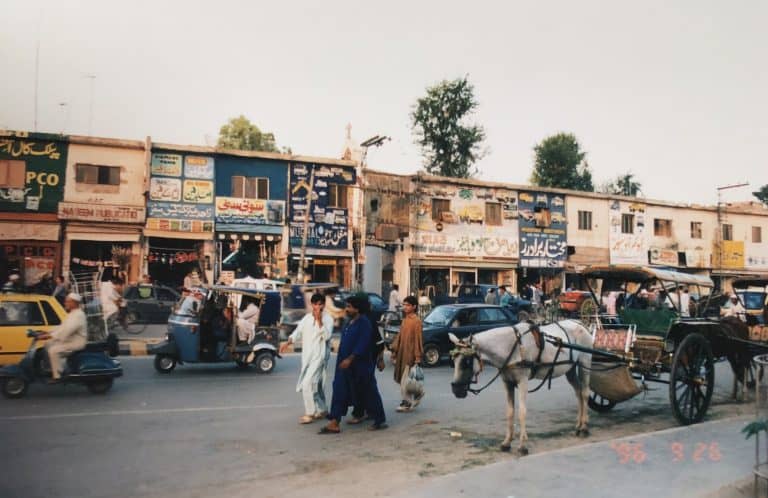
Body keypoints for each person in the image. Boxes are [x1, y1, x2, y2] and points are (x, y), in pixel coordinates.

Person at [320, 295, 386, 434]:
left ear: (357, 308)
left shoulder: (364, 323)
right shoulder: (348, 323)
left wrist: (351, 358)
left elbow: (363, 344)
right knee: (339, 389)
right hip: (344, 365)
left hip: (360, 365)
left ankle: (379, 419)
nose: (347, 309)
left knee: (368, 392)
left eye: (349, 307)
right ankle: (334, 421)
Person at [280, 293, 334, 424]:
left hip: (319, 357)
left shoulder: (328, 319)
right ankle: (322, 409)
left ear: (323, 305)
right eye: (315, 304)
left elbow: (327, 336)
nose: (317, 307)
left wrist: (319, 320)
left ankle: (310, 413)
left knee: (307, 383)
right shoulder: (307, 318)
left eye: (320, 304)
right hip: (307, 357)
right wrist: (288, 342)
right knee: (316, 384)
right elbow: (298, 331)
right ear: (312, 304)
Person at [42, 293, 88, 382]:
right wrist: (47, 332)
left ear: (74, 303)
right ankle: (51, 369)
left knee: (54, 351)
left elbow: (67, 330)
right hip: (70, 340)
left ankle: (58, 376)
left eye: (67, 301)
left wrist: (50, 335)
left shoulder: (78, 315)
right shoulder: (72, 314)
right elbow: (62, 327)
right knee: (48, 344)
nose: (65, 303)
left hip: (76, 342)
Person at [390, 295, 424, 412]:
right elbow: (399, 337)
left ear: (414, 306)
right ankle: (408, 400)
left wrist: (417, 356)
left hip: (410, 355)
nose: (405, 307)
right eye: (404, 305)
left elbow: (418, 339)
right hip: (402, 353)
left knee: (406, 380)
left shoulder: (417, 321)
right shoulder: (405, 320)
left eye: (408, 305)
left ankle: (407, 402)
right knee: (403, 379)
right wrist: (394, 351)